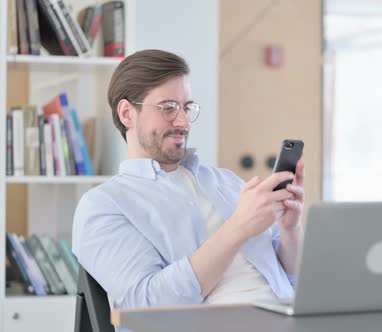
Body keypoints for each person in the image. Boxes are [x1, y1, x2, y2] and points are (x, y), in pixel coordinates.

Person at [72, 49, 304, 308]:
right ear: (127, 113)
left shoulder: (226, 181)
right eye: (168, 108)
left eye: (186, 107)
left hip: (288, 318)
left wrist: (289, 228)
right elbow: (148, 307)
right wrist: (238, 228)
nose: (183, 122)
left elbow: (291, 278)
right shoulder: (104, 205)